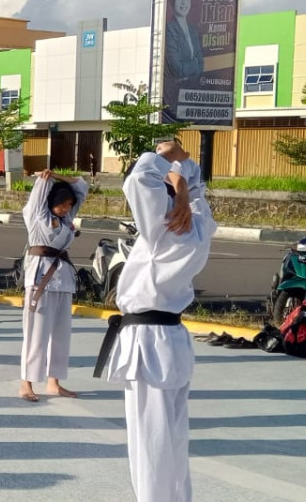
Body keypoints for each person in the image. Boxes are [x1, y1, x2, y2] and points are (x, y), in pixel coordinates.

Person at [97, 141, 212, 502]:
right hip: (170, 338)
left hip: (148, 342)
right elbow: (196, 197)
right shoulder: (199, 230)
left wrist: (166, 157)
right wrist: (183, 177)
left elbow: (138, 182)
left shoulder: (166, 230)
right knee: (172, 438)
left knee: (150, 443)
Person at [20, 169, 89, 402]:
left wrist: (61, 177)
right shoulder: (36, 215)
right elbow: (39, 194)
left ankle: (54, 382)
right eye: (62, 204)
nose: (66, 208)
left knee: (61, 335)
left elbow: (82, 186)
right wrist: (46, 179)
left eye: (69, 204)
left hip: (63, 279)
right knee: (35, 334)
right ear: (52, 201)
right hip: (41, 278)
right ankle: (26, 383)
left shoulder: (66, 220)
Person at [165, 0, 204, 85]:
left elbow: (201, 63)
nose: (183, 2)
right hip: (174, 93)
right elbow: (177, 69)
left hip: (193, 89)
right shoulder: (168, 30)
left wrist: (190, 65)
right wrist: (194, 63)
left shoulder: (193, 31)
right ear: (172, 1)